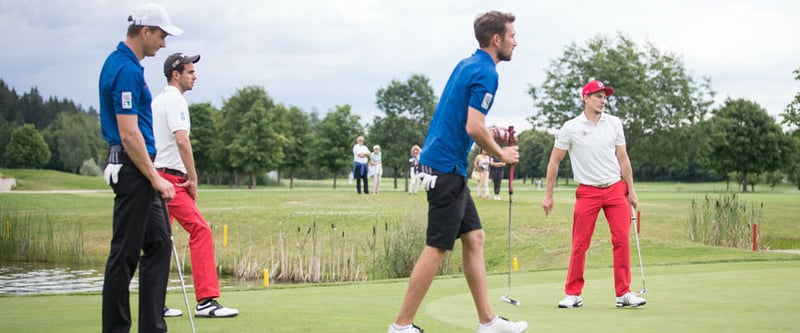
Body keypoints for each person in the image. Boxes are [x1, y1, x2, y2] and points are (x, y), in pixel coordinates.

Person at [388, 11, 527, 333]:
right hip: (445, 168)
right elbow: (473, 126)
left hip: (444, 164)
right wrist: (501, 154)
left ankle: (488, 322)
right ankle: (401, 326)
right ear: (497, 39)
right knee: (437, 247)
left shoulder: (468, 64)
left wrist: (487, 133)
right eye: (512, 36)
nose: (515, 41)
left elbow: (469, 122)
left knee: (474, 238)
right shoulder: (487, 73)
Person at [98, 3, 179, 333]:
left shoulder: (124, 63)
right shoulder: (126, 69)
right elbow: (129, 133)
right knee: (125, 254)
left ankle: (152, 326)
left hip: (137, 167)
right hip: (135, 170)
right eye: (161, 36)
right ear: (144, 31)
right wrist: (156, 178)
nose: (163, 44)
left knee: (159, 244)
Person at [541, 79, 645, 309]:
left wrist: (631, 191)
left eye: (605, 97)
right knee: (580, 243)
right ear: (585, 98)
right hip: (587, 191)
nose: (603, 101)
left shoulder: (615, 123)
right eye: (598, 96)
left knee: (621, 240)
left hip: (616, 188)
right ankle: (573, 293)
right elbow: (554, 161)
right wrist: (548, 195)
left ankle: (624, 293)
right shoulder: (570, 127)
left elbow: (622, 157)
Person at [153, 53, 239, 318]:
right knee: (200, 230)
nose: (195, 76)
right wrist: (194, 178)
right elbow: (182, 141)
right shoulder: (175, 100)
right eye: (190, 72)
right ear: (175, 74)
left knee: (161, 242)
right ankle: (206, 301)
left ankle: (156, 304)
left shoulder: (158, 100)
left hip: (157, 177)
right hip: (172, 180)